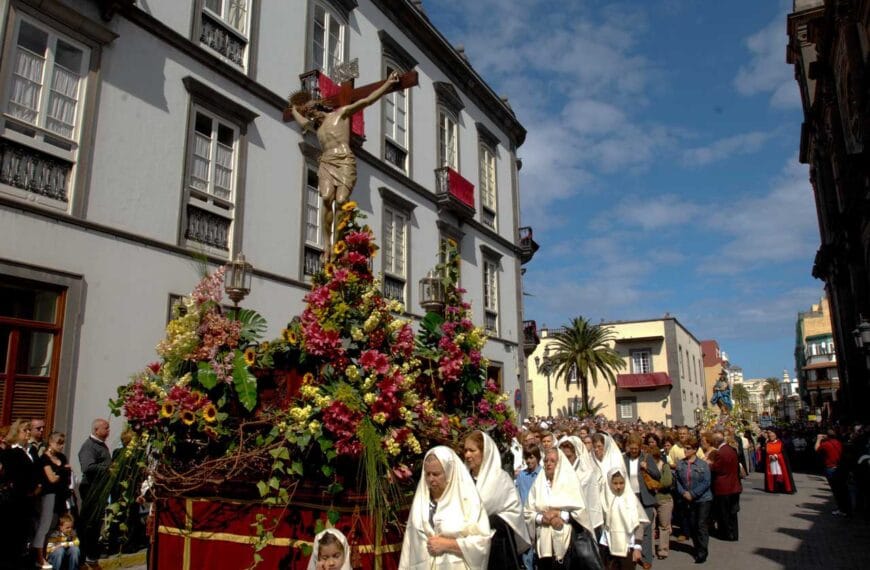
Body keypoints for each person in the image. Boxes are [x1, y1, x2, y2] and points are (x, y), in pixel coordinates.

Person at [289, 71, 401, 257]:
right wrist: (293, 110)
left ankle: (339, 242)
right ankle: (327, 243)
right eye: (308, 114)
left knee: (341, 201)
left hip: (344, 160)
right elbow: (302, 122)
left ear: (319, 108)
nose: (310, 115)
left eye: (311, 111)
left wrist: (387, 85)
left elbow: (366, 101)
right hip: (326, 161)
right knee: (326, 197)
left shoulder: (340, 114)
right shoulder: (316, 127)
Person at [399, 446, 492, 569]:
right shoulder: (420, 503)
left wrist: (449, 544)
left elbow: (482, 542)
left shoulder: (468, 501)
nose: (431, 479)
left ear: (449, 472)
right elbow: (409, 544)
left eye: (436, 474)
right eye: (428, 474)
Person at [464, 431, 531, 569]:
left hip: (497, 548)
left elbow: (514, 512)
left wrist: (488, 519)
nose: (467, 455)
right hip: (467, 547)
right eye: (465, 451)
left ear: (484, 453)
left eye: (472, 450)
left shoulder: (500, 479)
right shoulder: (462, 480)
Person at [525, 448, 599, 569]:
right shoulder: (538, 483)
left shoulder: (570, 482)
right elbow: (528, 511)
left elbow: (581, 514)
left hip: (568, 545)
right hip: (544, 546)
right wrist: (541, 518)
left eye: (552, 461)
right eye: (546, 461)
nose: (548, 463)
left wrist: (560, 515)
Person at [0, 419, 38, 569]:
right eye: (25, 430)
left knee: (23, 536)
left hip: (27, 500)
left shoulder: (29, 451)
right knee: (12, 536)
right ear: (16, 433)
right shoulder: (10, 452)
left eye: (29, 430)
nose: (28, 433)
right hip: (14, 501)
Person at [34, 432, 73, 569]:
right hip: (49, 495)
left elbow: (67, 474)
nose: (61, 446)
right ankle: (39, 557)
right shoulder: (44, 459)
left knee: (57, 526)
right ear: (50, 442)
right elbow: (52, 478)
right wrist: (63, 470)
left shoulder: (61, 457)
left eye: (63, 443)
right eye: (58, 443)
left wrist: (62, 471)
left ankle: (52, 554)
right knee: (44, 526)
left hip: (61, 495)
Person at [78, 418, 112, 567]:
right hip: (91, 490)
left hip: (100, 490)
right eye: (106, 428)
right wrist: (107, 468)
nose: (108, 431)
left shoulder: (101, 445)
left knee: (96, 524)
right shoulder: (89, 447)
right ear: (96, 430)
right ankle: (87, 554)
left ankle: (92, 554)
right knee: (90, 524)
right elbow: (88, 467)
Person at [673, 436, 712, 564]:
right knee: (693, 524)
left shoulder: (702, 464)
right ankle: (697, 547)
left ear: (695, 450)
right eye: (685, 448)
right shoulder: (681, 464)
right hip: (687, 497)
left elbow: (706, 482)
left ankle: (702, 551)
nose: (685, 450)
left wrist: (693, 493)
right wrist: (683, 492)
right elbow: (677, 480)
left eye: (688, 448)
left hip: (703, 499)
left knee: (701, 524)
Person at [623, 434, 659, 569]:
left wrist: (647, 467)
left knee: (646, 528)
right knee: (631, 527)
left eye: (635, 449)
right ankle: (632, 554)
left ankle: (646, 558)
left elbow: (657, 475)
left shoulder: (646, 457)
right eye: (631, 448)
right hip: (630, 497)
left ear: (639, 447)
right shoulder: (623, 458)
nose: (633, 451)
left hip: (645, 497)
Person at [600, 468, 647, 570]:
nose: (618, 486)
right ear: (609, 483)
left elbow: (639, 524)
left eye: (621, 483)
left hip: (627, 546)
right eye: (615, 483)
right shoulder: (604, 498)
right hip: (608, 545)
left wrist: (637, 547)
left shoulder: (631, 499)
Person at [709, 432, 741, 541]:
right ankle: (734, 533)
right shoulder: (731, 449)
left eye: (713, 441)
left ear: (717, 441)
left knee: (724, 513)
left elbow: (718, 468)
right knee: (732, 512)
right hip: (734, 485)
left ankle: (726, 534)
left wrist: (709, 465)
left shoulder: (720, 452)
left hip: (723, 487)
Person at [646, 436, 673, 561]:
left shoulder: (664, 466)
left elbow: (667, 481)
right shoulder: (645, 468)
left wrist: (654, 485)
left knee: (664, 525)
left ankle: (663, 550)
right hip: (650, 499)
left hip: (664, 499)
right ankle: (650, 550)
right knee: (650, 526)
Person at [515, 444, 541, 570]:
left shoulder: (542, 474)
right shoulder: (521, 476)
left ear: (537, 457)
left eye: (532, 457)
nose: (529, 461)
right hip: (525, 519)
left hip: (539, 517)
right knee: (527, 553)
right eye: (527, 458)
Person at [815, 430, 849, 515]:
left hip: (831, 468)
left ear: (827, 436)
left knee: (836, 490)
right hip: (840, 468)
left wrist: (819, 439)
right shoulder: (838, 442)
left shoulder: (826, 444)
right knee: (842, 489)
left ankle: (842, 509)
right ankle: (845, 508)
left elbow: (816, 449)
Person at [763, 429, 796, 494]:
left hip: (780, 462)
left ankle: (784, 488)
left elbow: (784, 454)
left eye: (772, 434)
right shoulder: (767, 444)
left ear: (776, 435)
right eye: (770, 435)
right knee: (772, 474)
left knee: (782, 475)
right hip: (770, 462)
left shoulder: (781, 443)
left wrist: (777, 456)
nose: (771, 436)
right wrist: (769, 456)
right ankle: (773, 488)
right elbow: (765, 453)